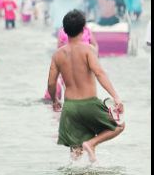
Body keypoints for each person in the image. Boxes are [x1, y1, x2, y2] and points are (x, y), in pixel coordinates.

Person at [47, 10, 125, 162]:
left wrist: (54, 100)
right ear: (84, 30)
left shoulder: (57, 54)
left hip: (69, 108)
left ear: (64, 30)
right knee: (119, 126)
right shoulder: (88, 49)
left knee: (75, 155)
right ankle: (91, 143)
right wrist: (116, 97)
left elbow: (51, 83)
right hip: (89, 104)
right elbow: (99, 73)